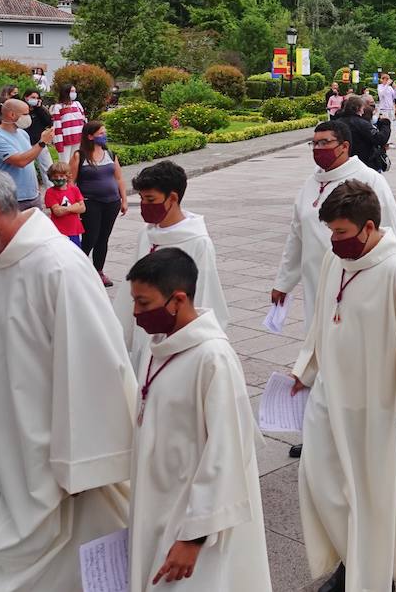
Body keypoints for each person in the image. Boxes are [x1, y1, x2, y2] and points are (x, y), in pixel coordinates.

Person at [0, 165, 134, 590]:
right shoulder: (9, 259)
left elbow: (95, 365)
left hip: (46, 452)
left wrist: (84, 465)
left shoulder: (57, 266)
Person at [291, 182, 396, 592]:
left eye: (342, 232)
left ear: (369, 226)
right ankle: (351, 554)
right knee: (320, 477)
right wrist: (305, 368)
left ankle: (370, 571)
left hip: (377, 400)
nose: (334, 240)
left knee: (373, 491)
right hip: (331, 391)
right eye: (331, 231)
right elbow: (323, 315)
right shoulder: (335, 259)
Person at [125, 249, 270, 592]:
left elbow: (227, 454)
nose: (135, 313)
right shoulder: (158, 345)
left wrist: (194, 538)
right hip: (157, 499)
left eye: (144, 303)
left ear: (177, 300)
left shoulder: (213, 359)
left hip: (190, 514)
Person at [272, 120, 396, 346]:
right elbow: (296, 236)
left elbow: (388, 232)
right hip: (316, 280)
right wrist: (284, 282)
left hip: (356, 278)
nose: (319, 149)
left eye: (325, 142)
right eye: (314, 144)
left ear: (344, 146)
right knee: (317, 337)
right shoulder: (309, 185)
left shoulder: (369, 180)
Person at [119, 160, 231, 373]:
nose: (144, 205)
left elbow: (203, 296)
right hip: (144, 326)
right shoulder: (146, 234)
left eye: (150, 199)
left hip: (175, 331)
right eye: (141, 199)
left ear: (172, 198)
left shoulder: (198, 242)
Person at [69, 119, 128, 286]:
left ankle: (98, 271)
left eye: (104, 132)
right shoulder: (79, 156)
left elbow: (119, 178)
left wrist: (124, 199)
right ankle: (77, 269)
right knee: (90, 237)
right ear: (90, 136)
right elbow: (71, 182)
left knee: (103, 238)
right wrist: (76, 203)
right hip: (90, 202)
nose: (104, 136)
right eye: (100, 133)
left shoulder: (110, 154)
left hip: (112, 202)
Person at [0, 98, 52, 211]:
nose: (28, 117)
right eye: (25, 114)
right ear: (12, 114)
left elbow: (30, 159)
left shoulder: (22, 133)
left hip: (33, 196)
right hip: (13, 199)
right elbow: (20, 161)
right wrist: (42, 142)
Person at [43, 161, 85, 246]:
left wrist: (64, 209)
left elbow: (83, 208)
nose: (58, 178)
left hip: (74, 229)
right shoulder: (50, 192)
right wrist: (74, 207)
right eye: (55, 176)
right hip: (59, 231)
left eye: (61, 176)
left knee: (75, 252)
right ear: (51, 178)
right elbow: (57, 212)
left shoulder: (74, 189)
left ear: (67, 176)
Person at [23, 89, 54, 184]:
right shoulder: (22, 111)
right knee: (29, 170)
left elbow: (48, 122)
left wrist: (39, 108)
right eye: (32, 97)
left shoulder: (39, 110)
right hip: (26, 145)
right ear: (26, 98)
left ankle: (51, 190)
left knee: (48, 168)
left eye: (37, 98)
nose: (35, 99)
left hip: (40, 142)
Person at [49, 81, 85, 159]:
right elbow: (57, 126)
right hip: (66, 141)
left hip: (78, 139)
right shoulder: (58, 107)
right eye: (72, 91)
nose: (74, 93)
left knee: (75, 162)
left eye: (75, 91)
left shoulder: (78, 104)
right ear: (66, 92)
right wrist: (59, 143)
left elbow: (83, 121)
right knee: (65, 164)